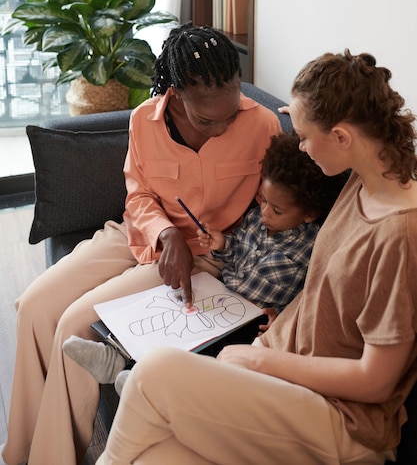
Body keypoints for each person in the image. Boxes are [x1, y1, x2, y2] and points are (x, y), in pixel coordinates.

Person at [95, 49, 417, 465]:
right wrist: (271, 341)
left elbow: (375, 382)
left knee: (154, 372)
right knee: (152, 454)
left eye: (302, 135)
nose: (300, 147)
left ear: (342, 137)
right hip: (281, 371)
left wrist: (259, 357)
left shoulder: (399, 232)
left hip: (340, 418)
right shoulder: (362, 178)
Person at [0, 23, 280, 465]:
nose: (222, 127)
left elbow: (276, 212)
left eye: (230, 115)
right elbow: (140, 193)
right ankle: (18, 452)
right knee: (34, 306)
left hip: (202, 259)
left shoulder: (262, 125)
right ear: (178, 94)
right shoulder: (143, 120)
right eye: (208, 120)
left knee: (75, 324)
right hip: (138, 234)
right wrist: (164, 233)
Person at [62, 132, 349, 384]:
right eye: (262, 200)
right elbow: (238, 252)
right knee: (171, 316)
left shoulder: (312, 247)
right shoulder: (258, 221)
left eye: (277, 210)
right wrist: (223, 244)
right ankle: (116, 358)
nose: (264, 213)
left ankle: (140, 378)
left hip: (252, 324)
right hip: (223, 295)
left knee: (201, 351)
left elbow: (313, 297)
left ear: (309, 214)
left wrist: (284, 320)